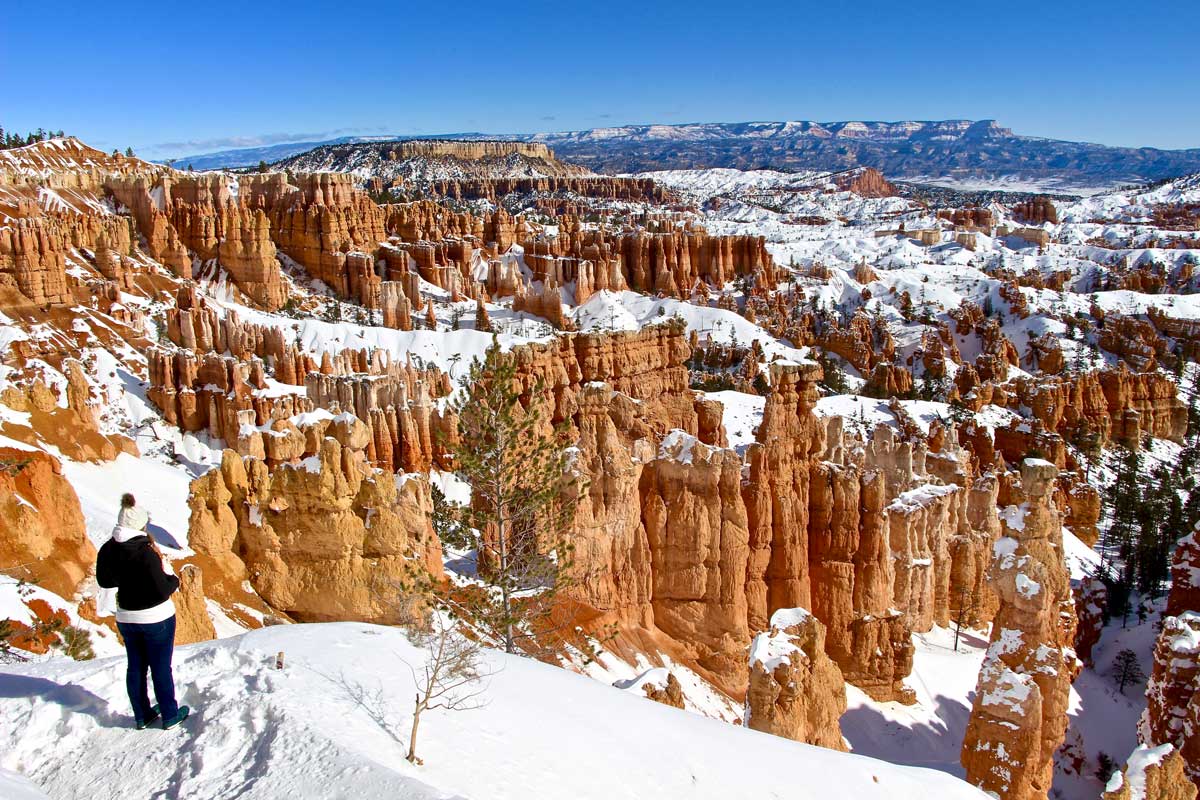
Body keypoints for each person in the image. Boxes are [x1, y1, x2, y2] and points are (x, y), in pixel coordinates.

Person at [97, 494, 190, 730]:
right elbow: (161, 590)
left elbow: (105, 581)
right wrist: (174, 581)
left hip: (126, 616)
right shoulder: (145, 551)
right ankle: (170, 714)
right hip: (156, 618)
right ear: (140, 525)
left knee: (136, 666)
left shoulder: (108, 548)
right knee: (160, 666)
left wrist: (126, 579)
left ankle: (142, 715)